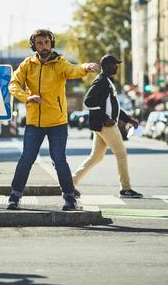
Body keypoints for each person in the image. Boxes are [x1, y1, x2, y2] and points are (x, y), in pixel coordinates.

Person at [7, 29, 99, 211]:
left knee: (59, 159)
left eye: (47, 42)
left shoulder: (59, 63)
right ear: (34, 45)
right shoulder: (28, 64)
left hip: (57, 121)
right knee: (26, 159)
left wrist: (85, 67)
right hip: (34, 122)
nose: (44, 46)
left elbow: (73, 70)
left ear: (52, 43)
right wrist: (27, 97)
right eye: (40, 43)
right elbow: (13, 83)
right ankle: (14, 197)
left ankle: (70, 198)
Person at [73, 55, 143, 198]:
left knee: (96, 157)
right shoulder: (101, 82)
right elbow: (88, 101)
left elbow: (114, 106)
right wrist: (106, 118)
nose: (116, 67)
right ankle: (126, 188)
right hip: (106, 125)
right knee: (121, 153)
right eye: (114, 64)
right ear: (106, 66)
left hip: (103, 125)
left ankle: (70, 183)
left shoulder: (108, 82)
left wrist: (129, 119)